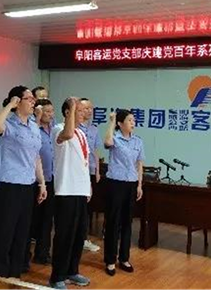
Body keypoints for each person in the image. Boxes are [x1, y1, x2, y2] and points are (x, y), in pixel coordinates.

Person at [0, 86, 47, 278]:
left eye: (33, 99)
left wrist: (42, 183)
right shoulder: (8, 123)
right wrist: (10, 105)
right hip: (9, 185)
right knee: (5, 231)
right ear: (18, 102)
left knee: (22, 233)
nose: (33, 101)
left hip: (28, 185)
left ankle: (15, 273)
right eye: (29, 98)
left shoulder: (33, 125)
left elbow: (36, 156)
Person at [49, 98, 91, 290]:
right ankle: (57, 276)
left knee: (79, 235)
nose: (85, 113)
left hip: (80, 190)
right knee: (64, 235)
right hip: (66, 190)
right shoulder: (59, 129)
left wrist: (88, 187)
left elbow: (84, 162)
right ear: (68, 113)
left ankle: (72, 271)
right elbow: (66, 134)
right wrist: (72, 106)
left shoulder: (81, 133)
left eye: (85, 110)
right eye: (80, 110)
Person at [103, 109, 144, 276]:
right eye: (129, 120)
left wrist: (139, 185)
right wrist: (111, 121)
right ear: (120, 124)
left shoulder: (138, 141)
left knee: (127, 222)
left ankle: (124, 258)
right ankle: (110, 260)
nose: (133, 123)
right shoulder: (115, 138)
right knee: (113, 222)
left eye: (133, 120)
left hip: (131, 184)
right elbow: (107, 142)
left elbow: (139, 164)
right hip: (116, 184)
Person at [24, 99, 56, 268]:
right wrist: (36, 118)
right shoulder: (32, 126)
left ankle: (42, 254)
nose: (50, 114)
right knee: (30, 220)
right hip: (34, 180)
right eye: (47, 111)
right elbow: (32, 145)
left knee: (47, 220)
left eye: (52, 111)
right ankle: (24, 256)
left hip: (50, 179)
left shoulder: (54, 129)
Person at [79, 98, 102, 253]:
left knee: (88, 208)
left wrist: (97, 170)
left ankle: (84, 238)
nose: (89, 111)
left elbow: (95, 151)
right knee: (80, 207)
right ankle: (79, 237)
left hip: (91, 171)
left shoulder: (94, 129)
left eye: (91, 108)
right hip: (78, 171)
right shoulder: (74, 128)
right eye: (86, 108)